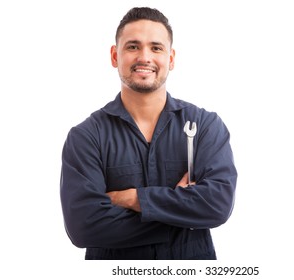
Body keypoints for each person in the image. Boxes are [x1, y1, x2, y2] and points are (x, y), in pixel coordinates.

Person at [60, 7, 237, 260]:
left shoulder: (205, 126)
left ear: (171, 58)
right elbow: (83, 226)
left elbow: (217, 205)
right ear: (114, 56)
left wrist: (131, 198)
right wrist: (183, 216)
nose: (144, 57)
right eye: (133, 47)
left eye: (156, 48)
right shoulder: (87, 136)